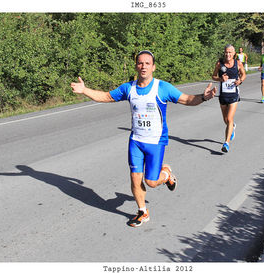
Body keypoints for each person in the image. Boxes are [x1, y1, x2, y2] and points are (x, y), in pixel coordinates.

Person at [70, 50, 216, 227]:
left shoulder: (162, 88)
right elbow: (107, 96)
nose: (143, 66)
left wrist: (203, 97)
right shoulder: (128, 88)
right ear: (136, 66)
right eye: (140, 63)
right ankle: (142, 212)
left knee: (151, 182)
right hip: (136, 141)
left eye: (147, 63)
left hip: (155, 142)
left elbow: (186, 100)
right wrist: (85, 90)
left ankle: (167, 174)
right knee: (135, 178)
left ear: (153, 67)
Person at [212, 44, 246, 153]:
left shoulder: (238, 63)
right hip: (223, 95)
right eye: (226, 52)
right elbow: (213, 76)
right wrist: (220, 78)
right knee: (226, 120)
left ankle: (226, 143)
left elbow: (243, 75)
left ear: (234, 53)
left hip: (233, 95)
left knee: (230, 118)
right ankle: (233, 127)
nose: (228, 54)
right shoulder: (219, 64)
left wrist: (240, 80)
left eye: (230, 52)